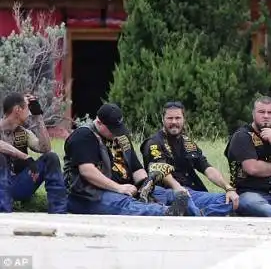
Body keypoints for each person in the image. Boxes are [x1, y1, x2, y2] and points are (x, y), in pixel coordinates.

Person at [62, 103, 191, 216]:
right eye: (112, 129)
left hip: (121, 189)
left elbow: (135, 168)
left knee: (167, 194)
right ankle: (168, 212)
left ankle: (197, 211)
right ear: (99, 122)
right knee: (127, 204)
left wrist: (146, 186)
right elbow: (87, 171)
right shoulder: (84, 136)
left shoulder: (120, 137)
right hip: (87, 196)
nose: (116, 133)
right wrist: (119, 188)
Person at [140, 101, 238, 217]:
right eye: (170, 118)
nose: (174, 122)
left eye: (178, 118)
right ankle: (196, 212)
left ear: (184, 119)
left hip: (193, 192)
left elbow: (206, 167)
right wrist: (179, 189)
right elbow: (161, 172)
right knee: (186, 202)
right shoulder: (154, 143)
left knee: (231, 199)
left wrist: (228, 188)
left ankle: (198, 213)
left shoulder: (187, 142)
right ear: (163, 119)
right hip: (170, 192)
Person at [0, 93, 66, 214]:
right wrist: (25, 157)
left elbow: (45, 148)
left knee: (51, 157)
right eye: (28, 108)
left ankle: (59, 211)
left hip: (18, 184)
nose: (29, 113)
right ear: (18, 110)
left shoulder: (24, 133)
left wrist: (38, 116)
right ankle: (4, 213)